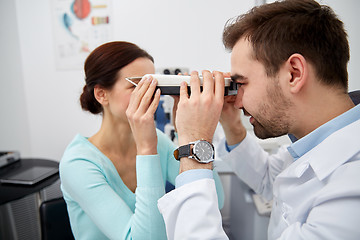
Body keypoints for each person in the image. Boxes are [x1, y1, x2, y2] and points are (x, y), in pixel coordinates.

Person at [156, 0, 360, 239]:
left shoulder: (351, 187)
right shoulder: (314, 142)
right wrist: (231, 123)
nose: (238, 101)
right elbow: (268, 178)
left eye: (241, 84)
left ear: (294, 73)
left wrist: (193, 147)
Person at [59, 41, 224, 240]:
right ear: (101, 94)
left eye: (155, 85)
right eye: (137, 85)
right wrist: (146, 148)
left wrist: (188, 133)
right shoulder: (77, 164)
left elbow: (216, 200)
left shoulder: (159, 141)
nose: (152, 94)